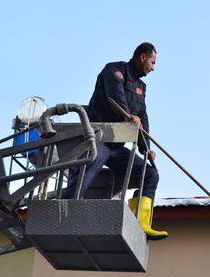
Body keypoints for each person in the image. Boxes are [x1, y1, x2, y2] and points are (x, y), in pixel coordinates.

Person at [63, 42, 168, 240]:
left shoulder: (141, 87)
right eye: (153, 62)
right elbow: (114, 95)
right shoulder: (114, 70)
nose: (154, 68)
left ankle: (141, 223)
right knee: (89, 167)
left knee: (151, 174)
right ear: (142, 57)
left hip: (117, 147)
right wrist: (128, 116)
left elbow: (142, 117)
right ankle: (66, 213)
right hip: (99, 139)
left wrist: (146, 148)